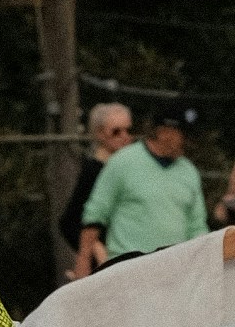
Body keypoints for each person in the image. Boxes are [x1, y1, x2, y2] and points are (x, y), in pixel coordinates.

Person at [78, 105, 207, 269]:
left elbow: (197, 226)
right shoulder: (122, 162)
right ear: (163, 132)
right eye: (184, 134)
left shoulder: (189, 171)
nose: (189, 142)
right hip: (128, 269)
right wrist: (83, 262)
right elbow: (95, 216)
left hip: (175, 270)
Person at [55, 99, 133, 278]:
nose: (125, 137)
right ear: (99, 134)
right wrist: (97, 249)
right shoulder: (94, 171)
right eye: (116, 132)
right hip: (108, 263)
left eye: (128, 130)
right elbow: (70, 222)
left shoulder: (128, 169)